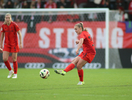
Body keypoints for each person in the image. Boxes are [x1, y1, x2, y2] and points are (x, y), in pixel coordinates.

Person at [0, 13, 22, 79]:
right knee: (4, 58)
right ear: (5, 19)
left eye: (8, 18)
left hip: (14, 44)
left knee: (14, 59)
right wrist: (1, 44)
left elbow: (19, 34)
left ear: (11, 18)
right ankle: (10, 70)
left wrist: (20, 43)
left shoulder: (14, 25)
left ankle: (15, 74)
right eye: (6, 18)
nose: (7, 19)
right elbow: (2, 35)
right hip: (7, 44)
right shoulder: (3, 25)